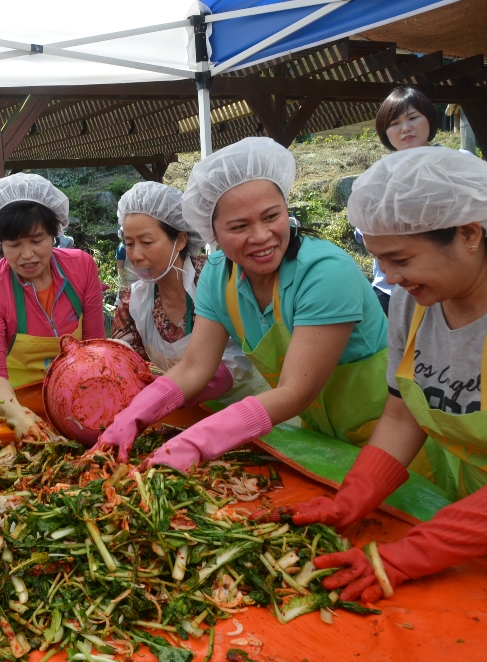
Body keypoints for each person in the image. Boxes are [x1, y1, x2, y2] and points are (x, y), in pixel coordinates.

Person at [269, 147, 487, 604]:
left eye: (401, 259)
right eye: (379, 259)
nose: (387, 276)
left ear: (468, 233)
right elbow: (403, 414)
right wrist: (353, 497)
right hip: (466, 517)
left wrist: (407, 557)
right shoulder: (415, 300)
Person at [99, 137, 389, 472]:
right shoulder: (219, 276)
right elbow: (195, 367)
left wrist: (200, 439)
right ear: (213, 235)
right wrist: (135, 413)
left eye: (271, 216)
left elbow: (295, 390)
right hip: (320, 438)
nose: (262, 235)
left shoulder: (325, 273)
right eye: (239, 227)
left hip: (386, 439)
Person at [103, 182, 269, 462]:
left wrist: (166, 392)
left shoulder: (216, 280)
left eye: (146, 242)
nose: (136, 255)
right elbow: (123, 362)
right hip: (184, 420)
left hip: (252, 415)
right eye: (129, 244)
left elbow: (239, 356)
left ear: (180, 240)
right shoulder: (133, 301)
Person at [0, 173, 105, 441]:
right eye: (14, 245)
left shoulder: (81, 267)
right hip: (18, 403)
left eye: (37, 240)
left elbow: (95, 348)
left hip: (79, 400)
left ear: (54, 234)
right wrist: (18, 416)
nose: (28, 254)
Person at [356, 87, 440, 314]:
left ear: (429, 119)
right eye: (394, 123)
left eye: (413, 118)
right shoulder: (375, 180)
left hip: (448, 289)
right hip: (392, 292)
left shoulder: (458, 165)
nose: (405, 128)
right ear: (385, 133)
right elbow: (366, 236)